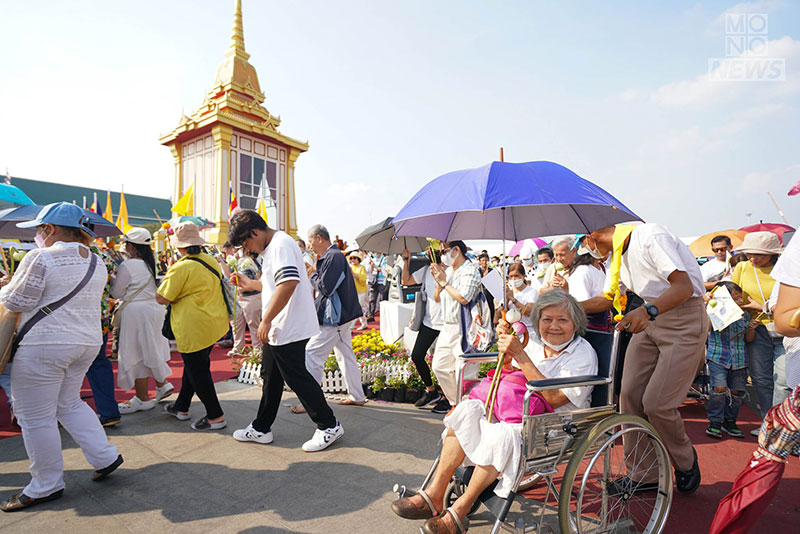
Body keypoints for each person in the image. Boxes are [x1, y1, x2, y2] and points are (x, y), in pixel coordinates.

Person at [391, 290, 597, 533]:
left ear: (576, 323)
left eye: (562, 320)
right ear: (538, 321)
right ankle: (434, 494)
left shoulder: (583, 354)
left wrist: (520, 354)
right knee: (466, 412)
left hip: (555, 424)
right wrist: (507, 354)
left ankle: (459, 510)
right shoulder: (533, 343)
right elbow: (511, 375)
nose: (554, 326)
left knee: (503, 434)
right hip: (516, 410)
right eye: (546, 319)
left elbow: (553, 397)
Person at [0, 203, 122, 512]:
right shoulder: (97, 261)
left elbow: (17, 300)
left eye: (40, 230)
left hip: (45, 345)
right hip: (85, 343)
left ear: (50, 230)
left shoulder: (40, 257)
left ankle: (46, 484)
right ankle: (105, 455)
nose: (37, 237)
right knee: (68, 403)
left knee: (35, 416)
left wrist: (4, 288)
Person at [580, 223, 706, 494]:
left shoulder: (649, 236)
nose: (588, 251)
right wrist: (565, 306)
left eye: (585, 244)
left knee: (658, 404)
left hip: (681, 317)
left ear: (592, 237)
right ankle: (643, 474)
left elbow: (683, 287)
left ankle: (684, 461)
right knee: (630, 397)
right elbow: (607, 299)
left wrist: (647, 311)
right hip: (649, 319)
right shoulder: (617, 255)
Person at [227, 211, 343, 452]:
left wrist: (266, 319)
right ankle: (261, 428)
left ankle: (329, 424)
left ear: (254, 232)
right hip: (282, 324)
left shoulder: (280, 245)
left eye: (246, 243)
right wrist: (252, 284)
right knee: (271, 376)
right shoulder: (275, 246)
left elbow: (289, 283)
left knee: (295, 376)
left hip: (287, 324)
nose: (247, 250)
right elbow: (277, 283)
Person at [157, 222, 229, 431]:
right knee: (194, 367)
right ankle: (182, 407)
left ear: (180, 246)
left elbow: (161, 298)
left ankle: (216, 416)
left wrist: (171, 271)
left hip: (192, 325)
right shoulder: (210, 260)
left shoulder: (181, 267)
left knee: (198, 372)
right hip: (213, 322)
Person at [302, 224, 367, 408]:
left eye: (311, 240)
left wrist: (312, 275)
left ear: (320, 238)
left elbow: (325, 288)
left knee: (312, 354)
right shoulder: (333, 256)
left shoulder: (334, 256)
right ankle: (357, 395)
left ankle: (312, 403)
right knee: (345, 356)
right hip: (342, 316)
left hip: (335, 318)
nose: (310, 245)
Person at [111, 228, 174, 415]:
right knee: (151, 347)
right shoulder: (151, 263)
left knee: (136, 352)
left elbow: (117, 293)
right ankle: (162, 383)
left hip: (136, 311)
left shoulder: (128, 265)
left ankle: (142, 397)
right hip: (154, 309)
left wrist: (112, 279)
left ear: (131, 246)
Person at [731, 231, 785, 430]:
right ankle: (767, 424)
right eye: (749, 253)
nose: (753, 258)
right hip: (755, 331)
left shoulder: (786, 270)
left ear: (772, 254)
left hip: (785, 330)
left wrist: (760, 307)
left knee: (784, 381)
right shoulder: (743, 268)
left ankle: (781, 427)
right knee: (761, 379)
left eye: (759, 254)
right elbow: (729, 291)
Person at [429, 241, 482, 414]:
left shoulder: (470, 270)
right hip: (447, 326)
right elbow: (437, 298)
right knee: (439, 366)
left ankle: (468, 409)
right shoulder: (450, 271)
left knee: (464, 372)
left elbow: (464, 297)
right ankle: (456, 402)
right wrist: (439, 281)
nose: (442, 255)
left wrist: (444, 283)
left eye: (444, 251)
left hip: (465, 327)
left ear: (456, 250)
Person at [704, 281, 756, 439]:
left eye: (740, 298)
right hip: (718, 357)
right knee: (719, 389)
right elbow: (706, 329)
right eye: (736, 298)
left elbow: (748, 339)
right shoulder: (713, 311)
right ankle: (714, 422)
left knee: (737, 392)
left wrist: (751, 328)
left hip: (740, 359)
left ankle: (730, 421)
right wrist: (709, 306)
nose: (740, 301)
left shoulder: (745, 315)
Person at [84, 243, 122, 427]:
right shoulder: (103, 255)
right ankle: (109, 412)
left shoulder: (62, 255)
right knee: (99, 364)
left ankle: (62, 413)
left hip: (72, 319)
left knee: (63, 368)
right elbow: (115, 283)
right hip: (101, 318)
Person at [401, 247, 443, 410]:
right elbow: (406, 281)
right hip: (429, 322)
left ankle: (448, 397)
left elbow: (441, 297)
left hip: (447, 324)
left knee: (444, 364)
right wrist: (406, 261)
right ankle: (432, 391)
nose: (431, 255)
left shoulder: (452, 272)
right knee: (417, 356)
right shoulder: (426, 270)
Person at [218, 242, 263, 357]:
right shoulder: (236, 261)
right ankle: (238, 347)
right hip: (238, 297)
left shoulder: (252, 261)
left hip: (251, 296)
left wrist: (240, 288)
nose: (234, 251)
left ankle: (258, 349)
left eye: (237, 248)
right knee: (237, 325)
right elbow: (228, 275)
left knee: (253, 324)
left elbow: (255, 279)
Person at [564, 240, 610, 331]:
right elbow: (581, 304)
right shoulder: (583, 271)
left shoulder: (602, 268)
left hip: (603, 325)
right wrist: (606, 302)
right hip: (588, 328)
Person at [496, 262, 537, 332]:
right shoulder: (508, 292)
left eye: (516, 276)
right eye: (511, 276)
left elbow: (529, 312)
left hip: (528, 330)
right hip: (512, 330)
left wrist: (513, 300)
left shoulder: (532, 292)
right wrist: (506, 300)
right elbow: (498, 316)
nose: (513, 279)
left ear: (523, 276)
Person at [349, 253, 368, 330]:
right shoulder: (350, 267)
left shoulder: (362, 267)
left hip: (361, 291)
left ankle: (350, 328)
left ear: (358, 259)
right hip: (353, 291)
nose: (352, 260)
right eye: (351, 258)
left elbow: (363, 279)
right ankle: (364, 323)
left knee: (356, 308)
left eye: (354, 258)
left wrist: (353, 274)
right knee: (359, 308)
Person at [366, 253, 387, 321]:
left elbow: (384, 270)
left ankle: (384, 315)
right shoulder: (374, 259)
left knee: (383, 299)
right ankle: (371, 315)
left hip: (382, 281)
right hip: (374, 281)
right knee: (372, 299)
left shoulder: (385, 259)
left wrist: (375, 266)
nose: (375, 253)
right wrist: (372, 266)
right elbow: (371, 271)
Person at [477, 253, 495, 323]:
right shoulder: (477, 271)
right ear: (480, 262)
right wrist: (484, 277)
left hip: (490, 296)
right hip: (481, 297)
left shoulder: (492, 271)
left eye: (486, 260)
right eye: (482, 260)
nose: (484, 262)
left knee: (491, 313)